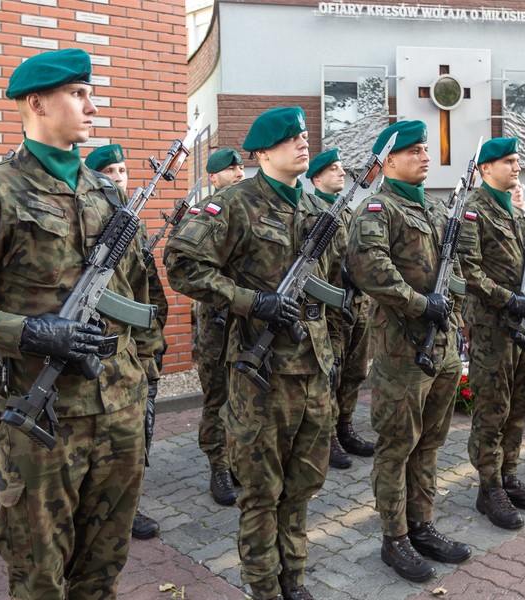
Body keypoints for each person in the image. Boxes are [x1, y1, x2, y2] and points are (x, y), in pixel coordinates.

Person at [0, 49, 150, 599]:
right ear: (36, 102)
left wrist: (143, 376)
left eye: (91, 92)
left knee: (103, 569)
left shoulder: (108, 192)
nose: (92, 105)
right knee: (39, 576)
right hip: (44, 421)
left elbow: (138, 296)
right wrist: (27, 331)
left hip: (119, 410)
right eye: (78, 94)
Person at [165, 106, 344, 600]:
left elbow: (335, 282)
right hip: (260, 374)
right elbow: (181, 263)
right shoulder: (235, 204)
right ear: (263, 152)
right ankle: (264, 587)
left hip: (312, 371)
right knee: (262, 492)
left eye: (304, 136)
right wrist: (251, 301)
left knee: (303, 484)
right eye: (291, 139)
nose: (303, 144)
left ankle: (295, 578)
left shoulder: (314, 210)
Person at [346, 121, 471, 584]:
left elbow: (455, 267)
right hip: (402, 350)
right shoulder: (377, 210)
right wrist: (422, 303)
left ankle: (421, 525)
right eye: (414, 150)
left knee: (431, 442)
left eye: (426, 149)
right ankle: (393, 537)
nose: (424, 156)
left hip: (442, 344)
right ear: (390, 160)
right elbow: (371, 270)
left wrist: (452, 309)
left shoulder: (437, 210)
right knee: (397, 446)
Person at [457, 137, 525, 531]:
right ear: (485, 169)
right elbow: (469, 270)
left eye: (517, 161)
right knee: (492, 410)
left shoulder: (513, 212)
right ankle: (489, 486)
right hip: (492, 327)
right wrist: (508, 299)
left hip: (523, 325)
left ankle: (509, 476)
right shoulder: (472, 212)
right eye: (509, 162)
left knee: (521, 405)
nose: (516, 167)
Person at [86, 142, 170, 538]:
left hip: (131, 353)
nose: (119, 177)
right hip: (87, 350)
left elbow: (147, 296)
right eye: (110, 172)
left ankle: (128, 505)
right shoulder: (90, 220)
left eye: (123, 170)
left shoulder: (133, 226)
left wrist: (151, 351)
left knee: (135, 438)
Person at [306, 148, 375, 470]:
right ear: (316, 178)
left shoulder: (348, 212)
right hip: (329, 307)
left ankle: (345, 425)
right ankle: (328, 434)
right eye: (333, 169)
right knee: (330, 374)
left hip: (359, 304)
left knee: (355, 370)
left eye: (341, 168)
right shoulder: (311, 212)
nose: (341, 173)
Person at [194, 147, 245, 506]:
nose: (239, 173)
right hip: (216, 322)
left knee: (243, 395)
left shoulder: (248, 211)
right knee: (218, 396)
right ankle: (219, 465)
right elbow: (192, 270)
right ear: (214, 178)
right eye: (230, 169)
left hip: (246, 321)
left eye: (241, 166)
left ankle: (238, 459)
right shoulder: (205, 214)